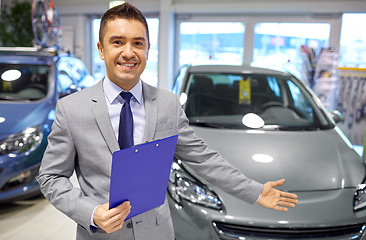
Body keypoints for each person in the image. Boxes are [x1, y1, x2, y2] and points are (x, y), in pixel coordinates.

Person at [37, 2, 298, 240]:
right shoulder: (71, 109)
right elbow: (51, 177)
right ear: (101, 49)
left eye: (138, 43)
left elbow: (203, 158)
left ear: (148, 50)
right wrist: (91, 213)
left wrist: (254, 191)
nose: (129, 52)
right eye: (117, 42)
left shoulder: (168, 104)